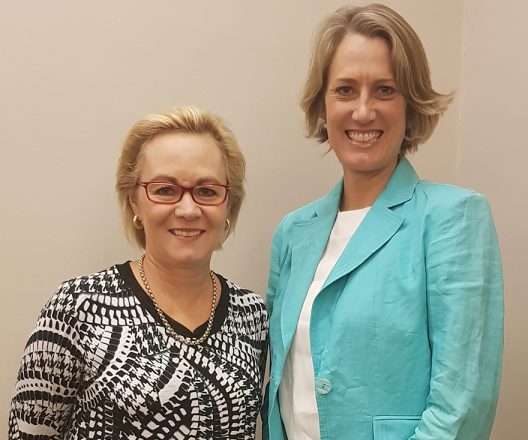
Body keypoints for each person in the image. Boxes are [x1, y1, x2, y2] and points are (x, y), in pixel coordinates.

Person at [263, 4, 503, 440]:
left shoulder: (453, 218)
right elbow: (280, 382)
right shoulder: (293, 233)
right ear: (323, 106)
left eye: (385, 90)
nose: (362, 111)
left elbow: (462, 406)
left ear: (411, 105)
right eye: (345, 89)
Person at [9, 106, 269, 439]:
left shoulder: (251, 314)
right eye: (165, 190)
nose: (188, 209)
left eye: (207, 191)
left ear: (229, 203)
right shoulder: (77, 306)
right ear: (134, 201)